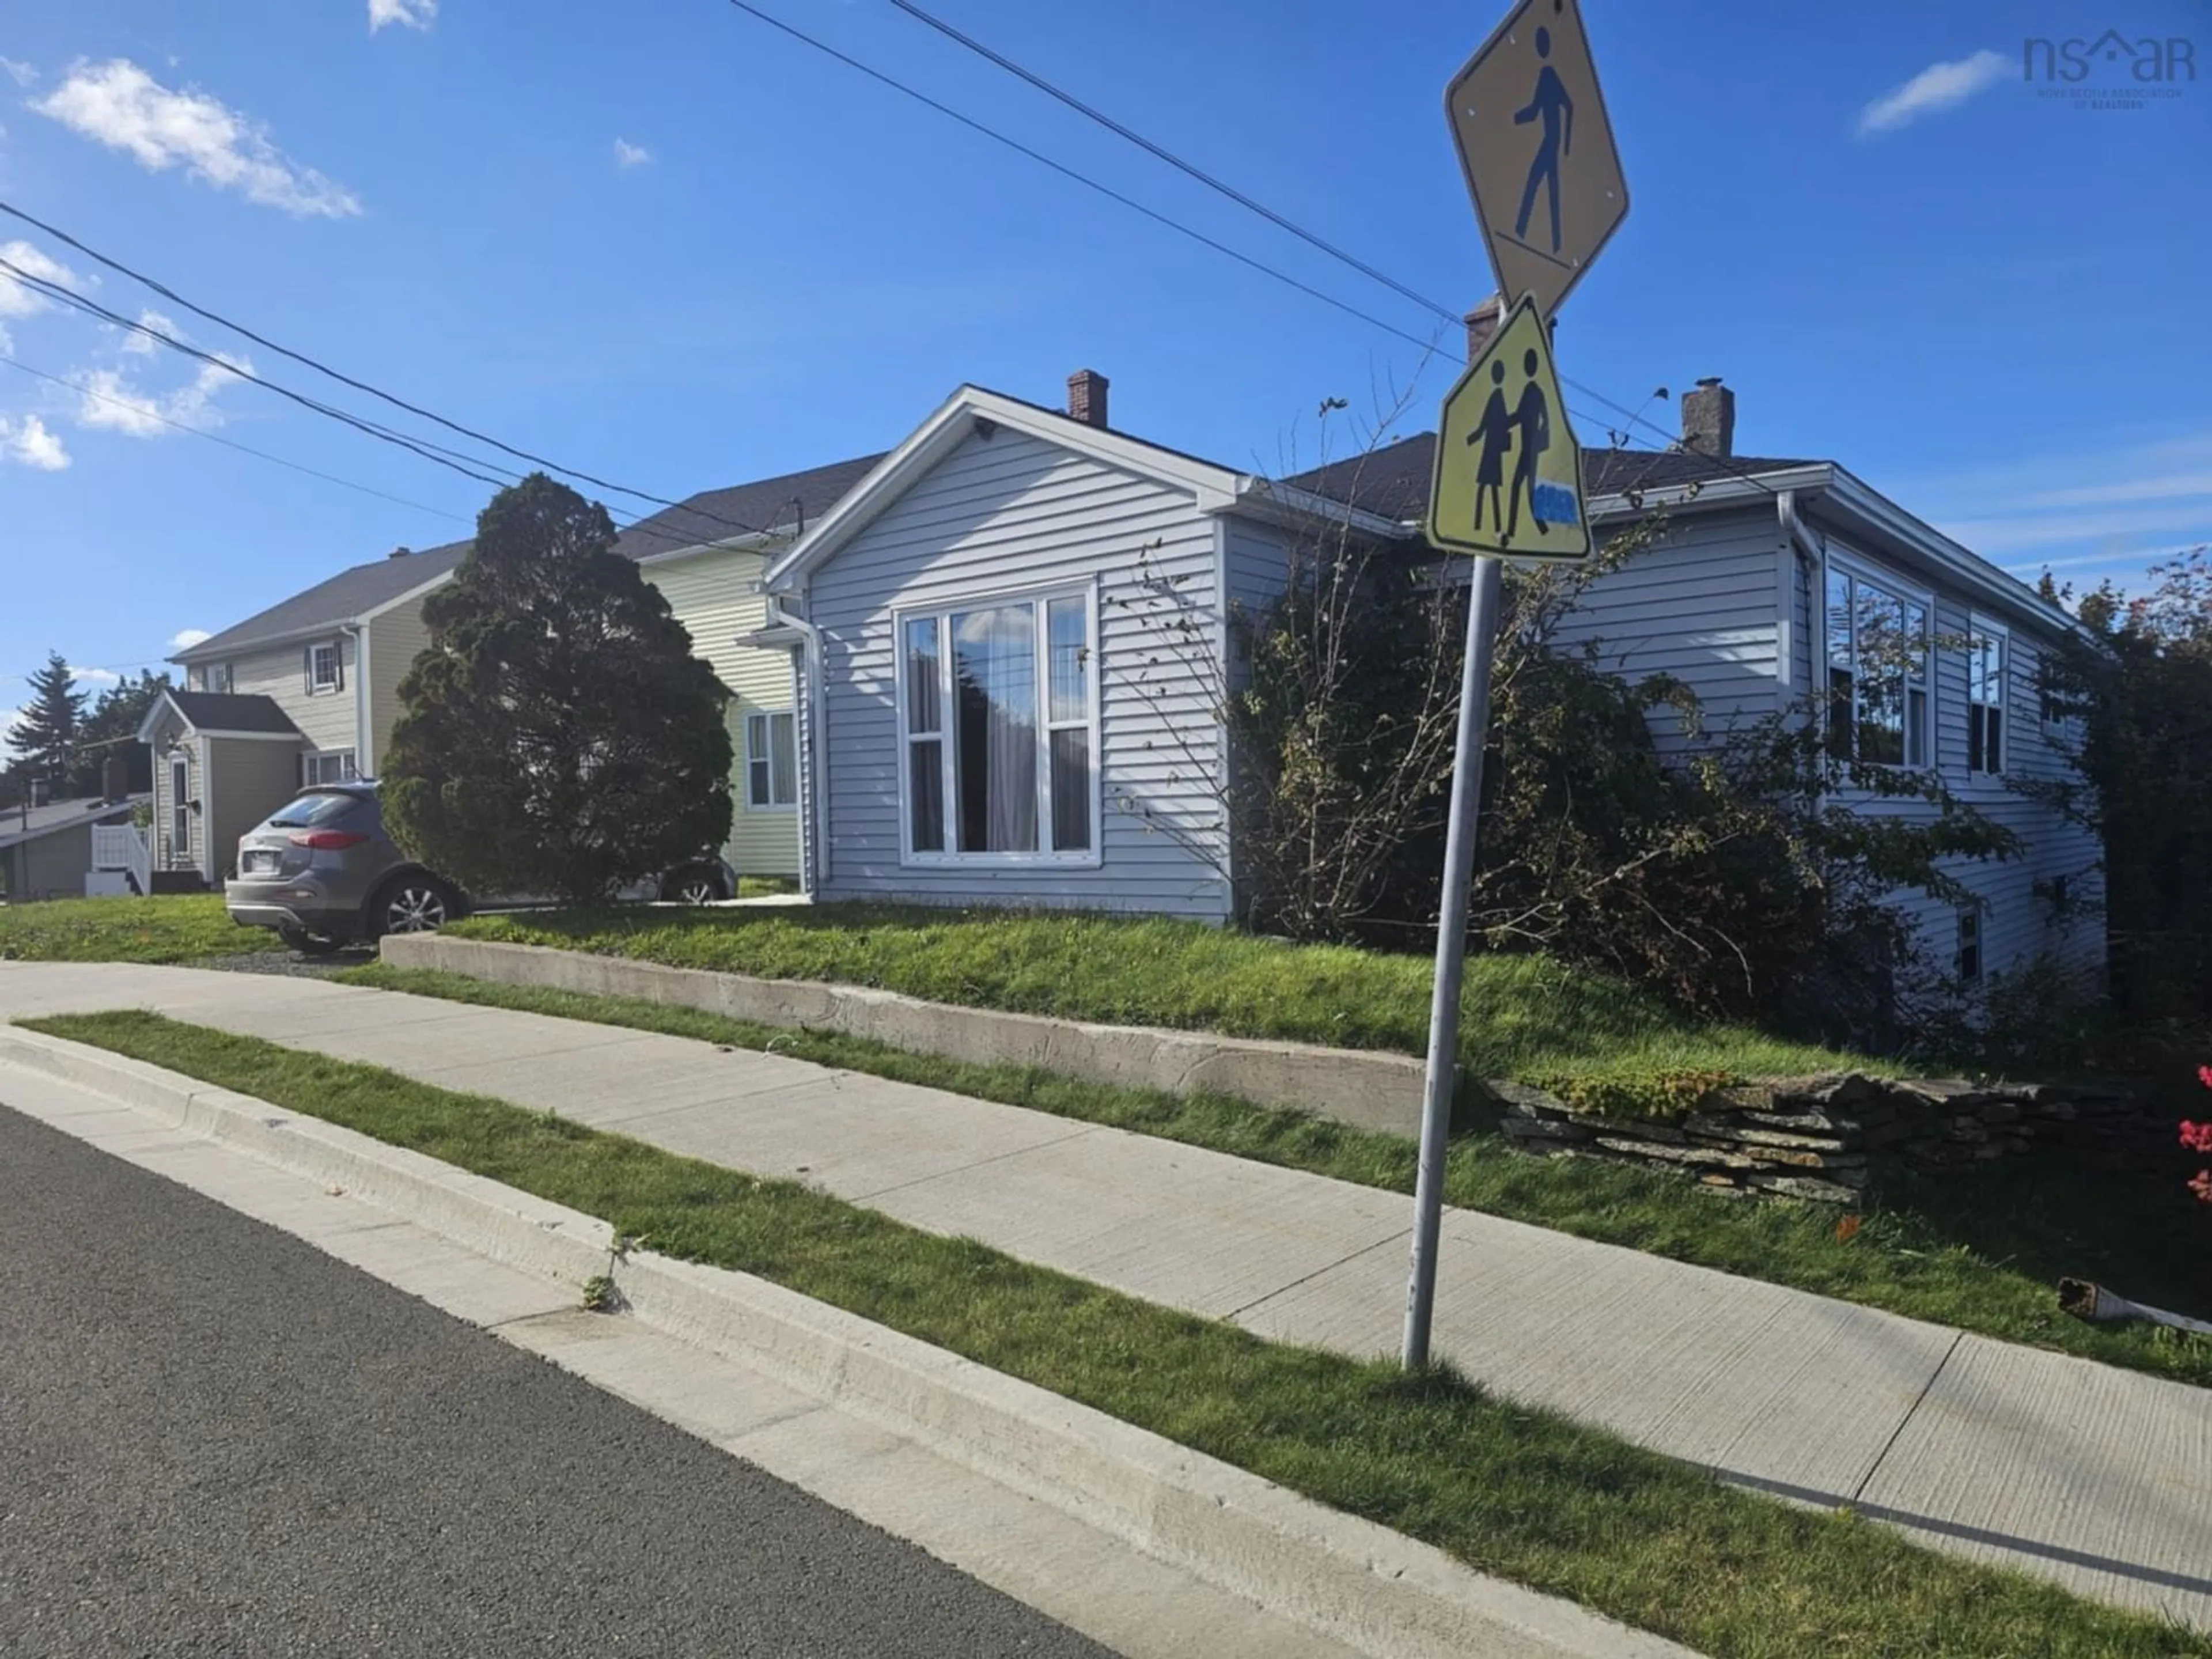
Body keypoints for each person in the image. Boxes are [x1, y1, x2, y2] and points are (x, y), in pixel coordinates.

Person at [1512, 26, 1574, 253]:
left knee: (1537, 184)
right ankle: (1555, 244)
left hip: (1552, 142)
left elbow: (1569, 105)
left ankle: (1522, 232)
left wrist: (1567, 144)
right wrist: (1514, 118)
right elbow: (1535, 111)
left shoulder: (1550, 74)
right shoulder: (1544, 75)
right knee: (1551, 191)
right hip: (1550, 140)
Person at [1506, 347, 1551, 541]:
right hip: (1527, 447)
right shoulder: (1529, 390)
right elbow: (1519, 416)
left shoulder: (1534, 391)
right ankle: (1536, 528)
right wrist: (1503, 423)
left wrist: (1541, 439)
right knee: (1522, 488)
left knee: (1522, 488)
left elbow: (1545, 418)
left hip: (1530, 449)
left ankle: (1516, 528)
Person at [1466, 358, 1511, 533]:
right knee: (1488, 487)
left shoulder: (1497, 398)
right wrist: (1475, 436)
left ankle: (1489, 523)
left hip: (1492, 449)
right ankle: (1485, 522)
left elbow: (1488, 423)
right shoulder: (1497, 397)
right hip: (1491, 449)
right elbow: (1488, 422)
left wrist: (1476, 436)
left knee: (1487, 487)